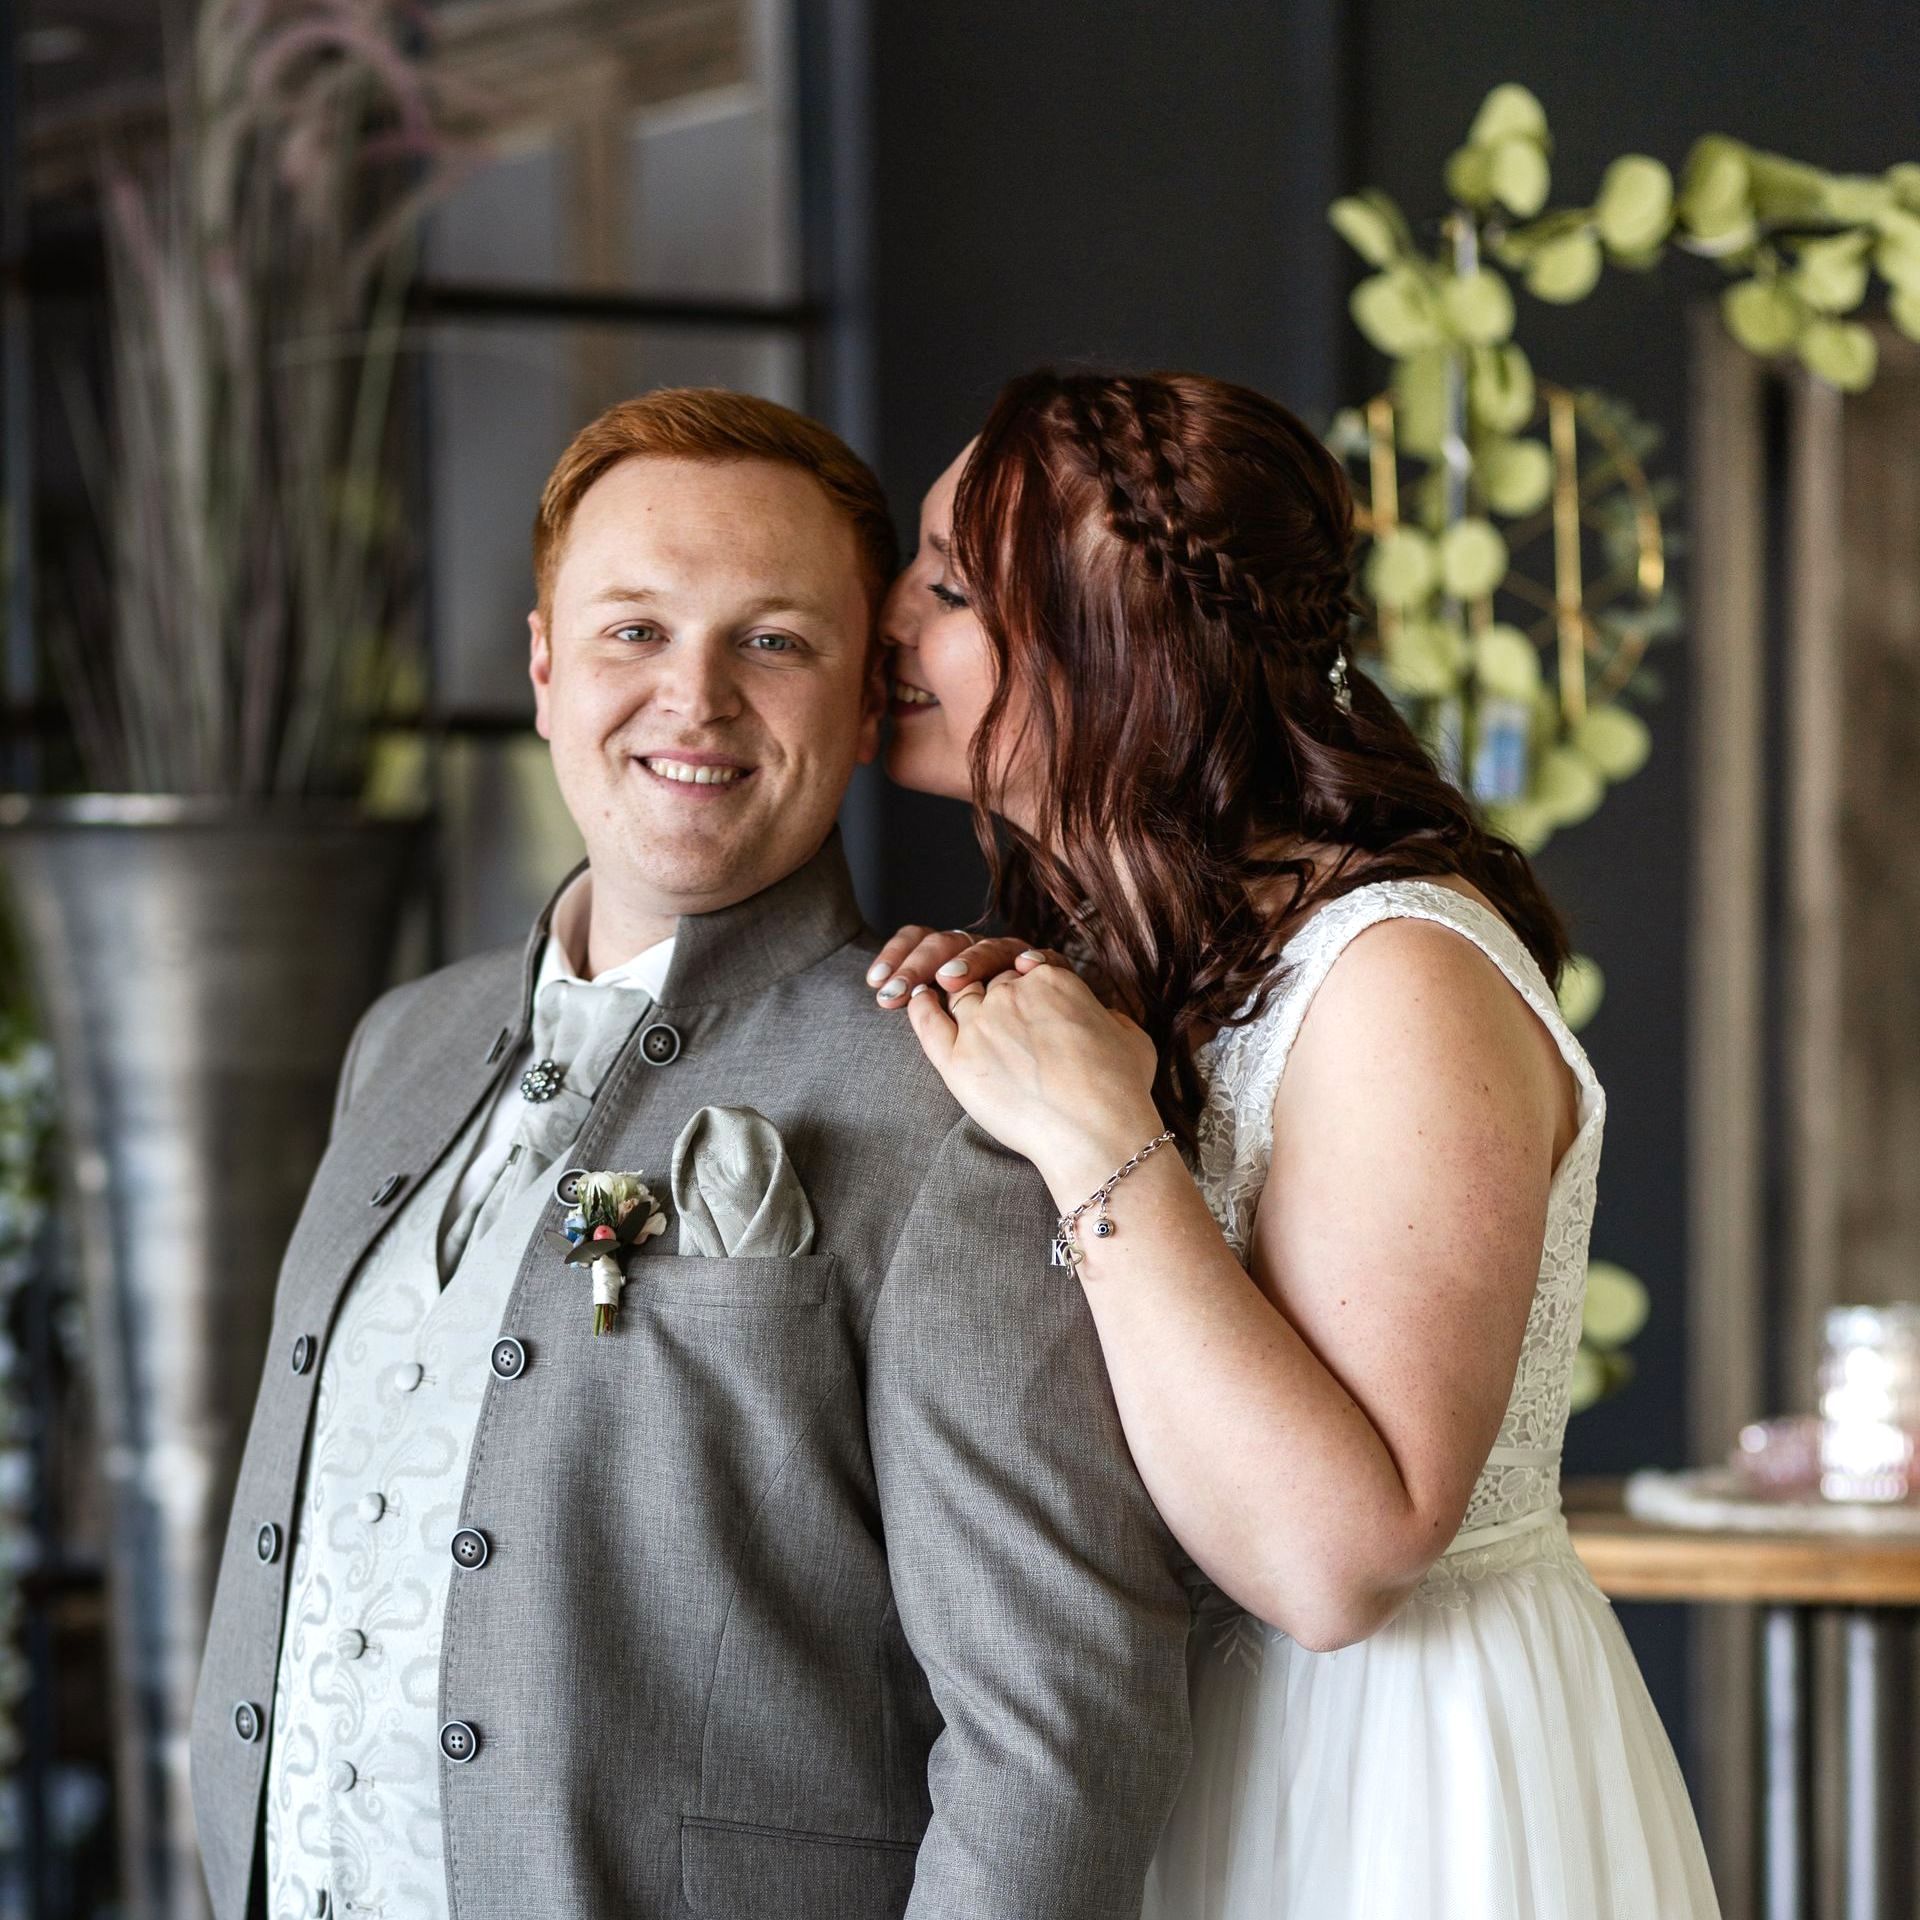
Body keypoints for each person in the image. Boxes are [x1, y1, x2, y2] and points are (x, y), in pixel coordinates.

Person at [187, 387, 1192, 1920]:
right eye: (633, 631)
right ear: (542, 667)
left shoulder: (956, 1091)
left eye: (774, 641)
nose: (694, 699)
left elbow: (1062, 1730)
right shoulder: (399, 1043)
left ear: (869, 700)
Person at [865, 369, 1721, 1920]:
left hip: (1397, 1780)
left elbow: (1345, 1558)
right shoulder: (1123, 956)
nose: (886, 623)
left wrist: (1091, 1135)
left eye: (946, 584)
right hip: (1175, 1757)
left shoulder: (1397, 974)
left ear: (1114, 639)